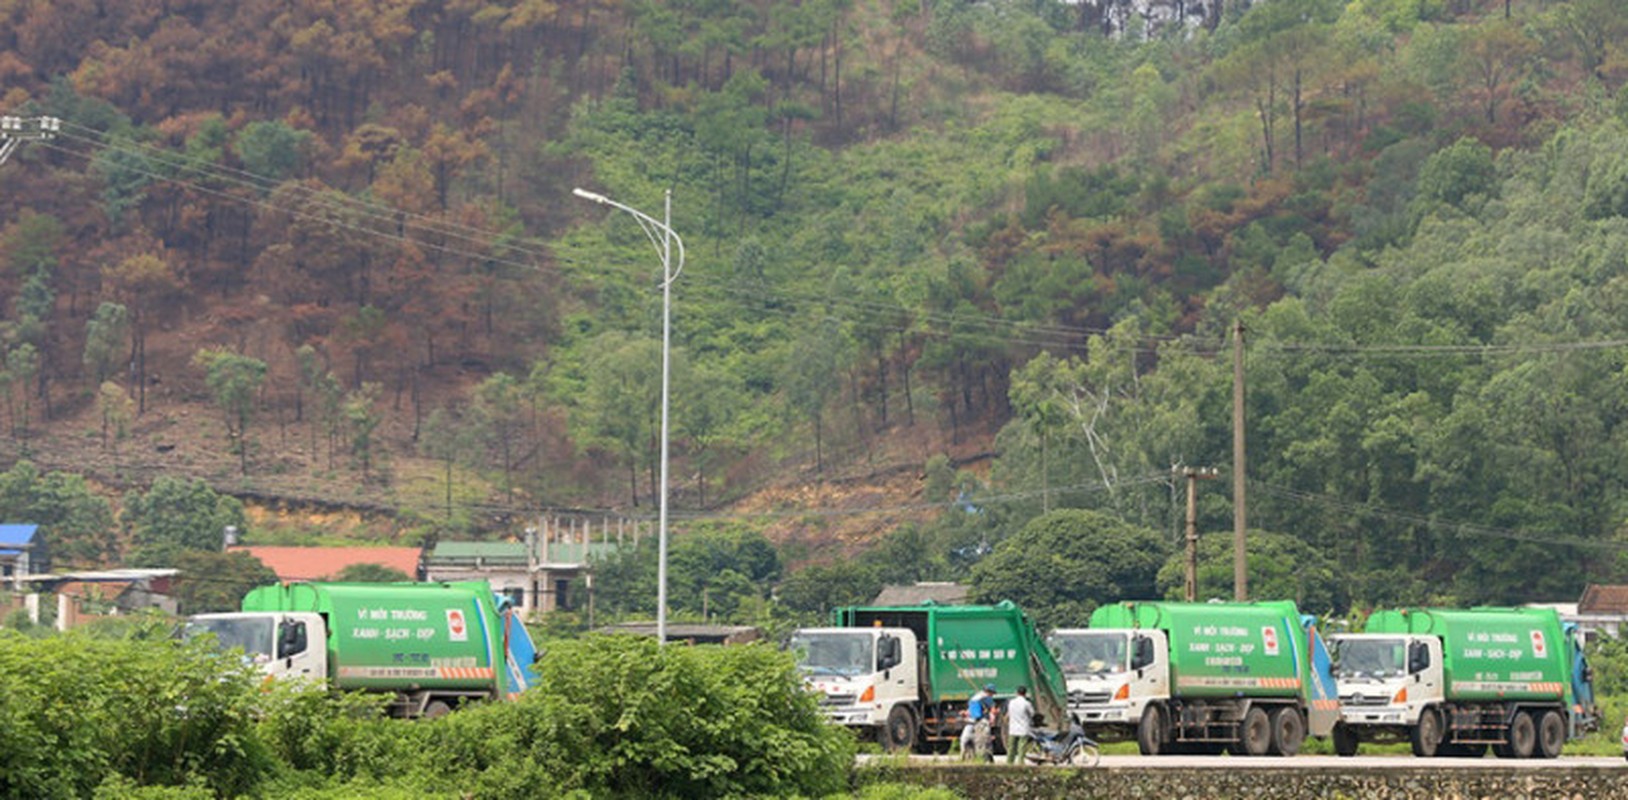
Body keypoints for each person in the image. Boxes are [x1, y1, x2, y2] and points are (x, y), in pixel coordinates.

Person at [961, 684, 996, 760]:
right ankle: (985, 759)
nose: (992, 695)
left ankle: (966, 758)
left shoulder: (975, 698)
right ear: (990, 692)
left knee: (965, 741)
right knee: (984, 743)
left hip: (972, 722)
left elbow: (970, 711)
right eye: (992, 693)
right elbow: (993, 710)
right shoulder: (987, 698)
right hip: (981, 723)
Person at [1005, 685, 1035, 765]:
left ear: (1016, 693)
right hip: (1023, 728)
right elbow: (1032, 714)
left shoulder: (1011, 702)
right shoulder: (1026, 703)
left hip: (1013, 728)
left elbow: (1008, 714)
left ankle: (1009, 762)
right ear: (1025, 693)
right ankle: (1020, 763)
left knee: (1011, 747)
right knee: (1021, 747)